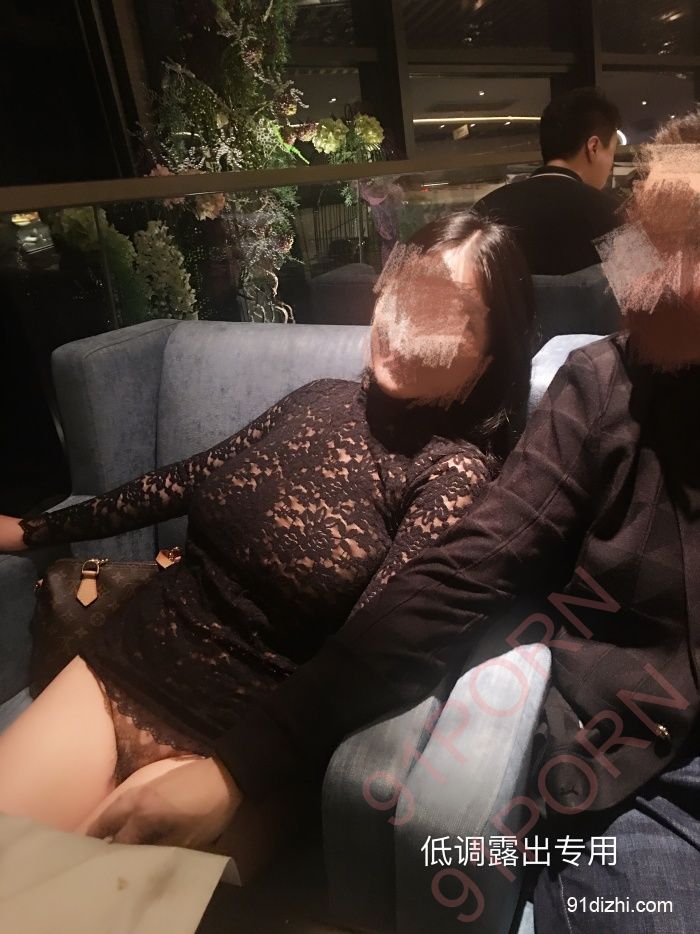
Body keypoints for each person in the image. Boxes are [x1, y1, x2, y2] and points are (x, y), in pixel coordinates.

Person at [213, 112, 698, 928]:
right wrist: (246, 759)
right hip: (645, 776)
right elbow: (465, 570)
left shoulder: (456, 461)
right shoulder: (603, 387)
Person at [0, 212, 534, 856]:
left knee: (70, 894)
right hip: (129, 658)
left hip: (240, 743)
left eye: (448, 314)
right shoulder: (320, 397)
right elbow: (185, 479)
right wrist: (33, 530)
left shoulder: (453, 476)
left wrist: (233, 774)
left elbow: (374, 653)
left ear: (490, 355)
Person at [473, 87, 622, 275]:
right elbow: (646, 289)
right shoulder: (615, 216)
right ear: (593, 147)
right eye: (612, 153)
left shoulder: (484, 212)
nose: (611, 165)